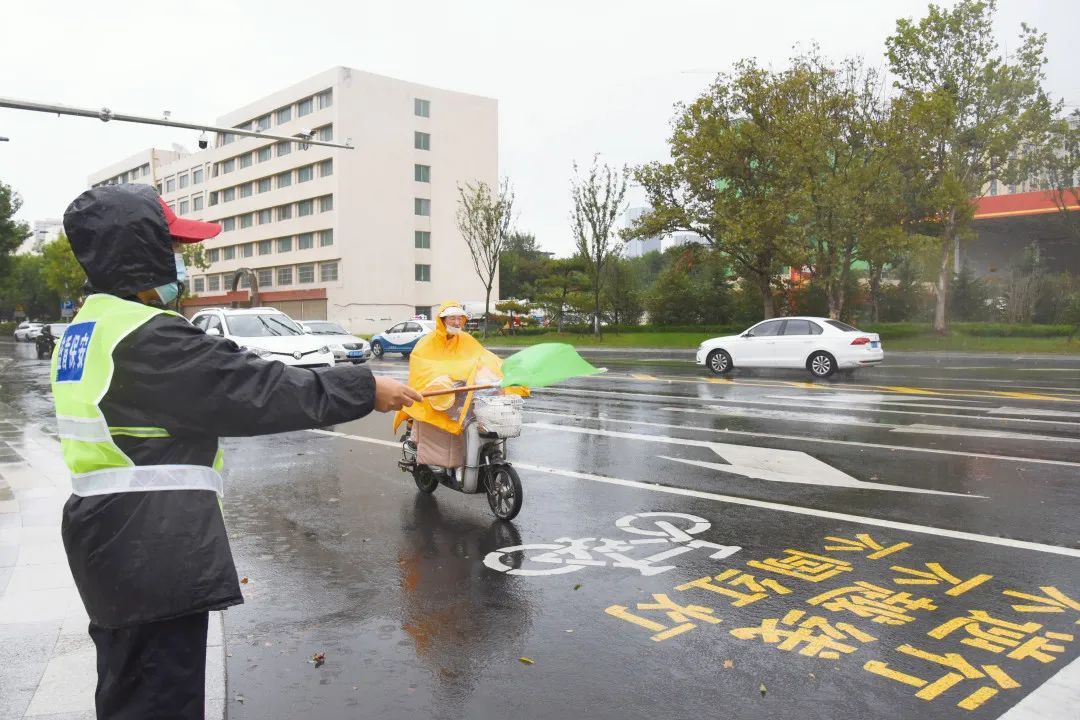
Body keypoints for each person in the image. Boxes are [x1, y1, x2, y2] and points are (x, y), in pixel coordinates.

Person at [52, 183, 421, 719]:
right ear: (140, 250)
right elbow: (251, 390)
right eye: (172, 249)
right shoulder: (143, 336)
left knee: (128, 689)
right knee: (159, 700)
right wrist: (362, 388)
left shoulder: (90, 327)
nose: (180, 264)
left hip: (112, 541)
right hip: (149, 546)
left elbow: (227, 369)